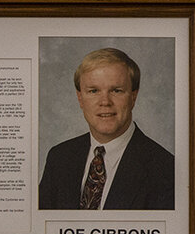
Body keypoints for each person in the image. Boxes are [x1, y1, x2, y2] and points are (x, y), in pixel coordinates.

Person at [37, 47, 175, 211]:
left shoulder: (165, 170)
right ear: (80, 98)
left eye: (116, 90)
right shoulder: (59, 158)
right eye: (93, 91)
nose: (105, 102)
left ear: (133, 97)